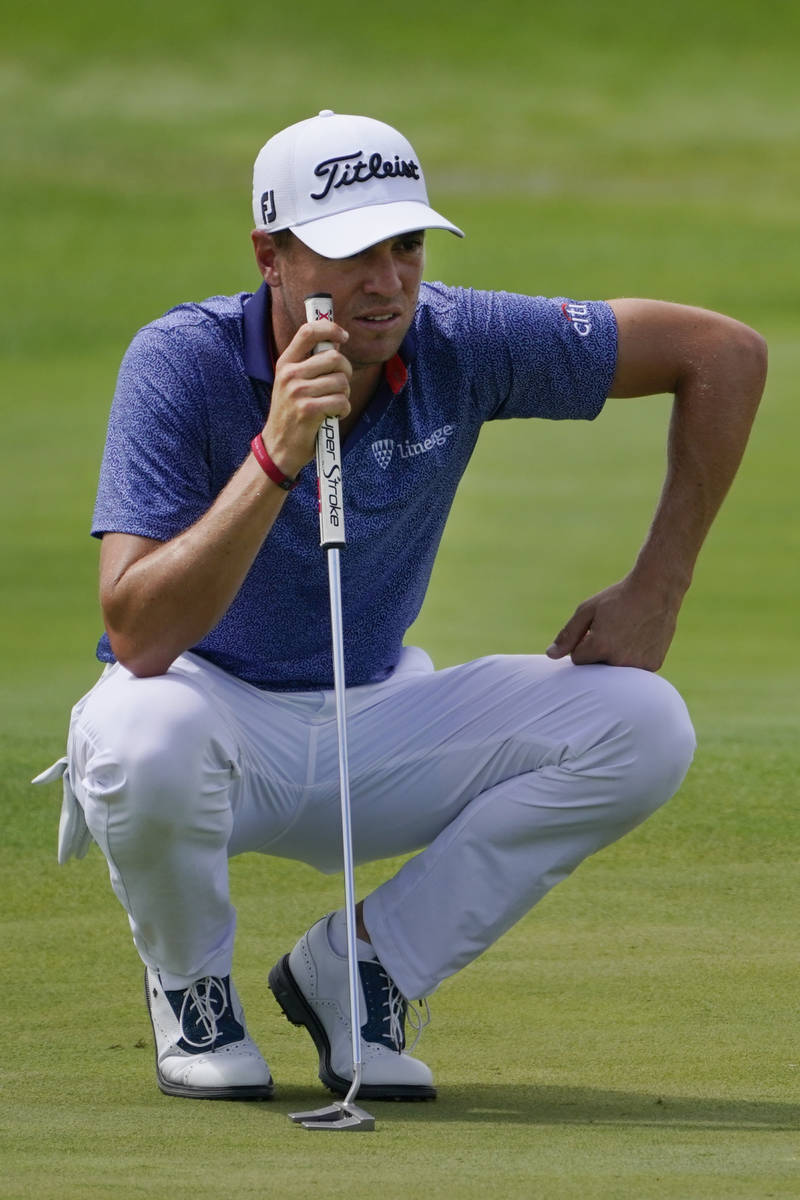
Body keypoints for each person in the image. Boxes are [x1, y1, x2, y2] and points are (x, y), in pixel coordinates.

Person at [38, 109, 766, 1102]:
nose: (385, 281)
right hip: (210, 718)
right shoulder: (180, 361)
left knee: (642, 725)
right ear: (272, 256)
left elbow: (723, 355)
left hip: (375, 722)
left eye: (405, 245)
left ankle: (363, 970)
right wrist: (274, 457)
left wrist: (658, 583)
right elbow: (139, 631)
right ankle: (192, 991)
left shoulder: (460, 339)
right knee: (135, 729)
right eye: (348, 252)